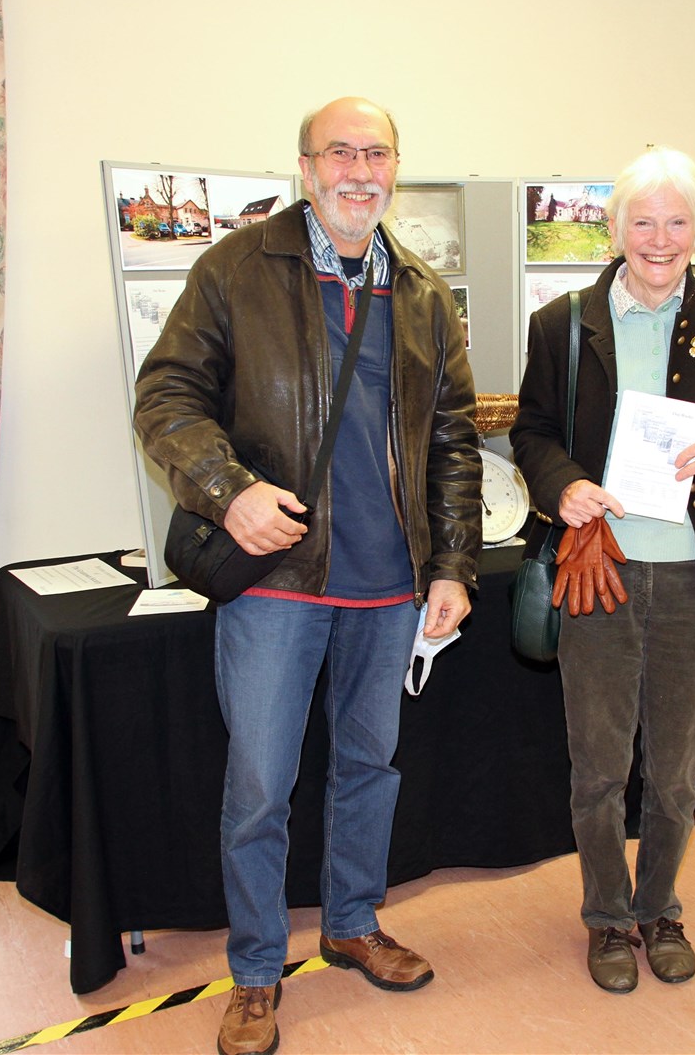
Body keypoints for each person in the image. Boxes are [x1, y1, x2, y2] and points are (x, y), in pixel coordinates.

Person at [132, 96, 480, 1055]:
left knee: (371, 767)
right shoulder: (234, 269)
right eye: (341, 152)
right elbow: (165, 395)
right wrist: (226, 488)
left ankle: (353, 922)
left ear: (395, 168)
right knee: (259, 787)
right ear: (305, 166)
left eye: (377, 153)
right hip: (278, 579)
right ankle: (254, 971)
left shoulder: (420, 291)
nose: (359, 169)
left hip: (390, 588)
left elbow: (453, 442)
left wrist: (452, 565)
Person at [510, 147, 695, 995]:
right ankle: (606, 917)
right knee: (597, 762)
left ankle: (659, 906)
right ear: (615, 227)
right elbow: (532, 432)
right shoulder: (563, 324)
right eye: (642, 220)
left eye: (676, 221)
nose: (659, 238)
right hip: (602, 571)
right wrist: (566, 485)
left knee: (674, 765)